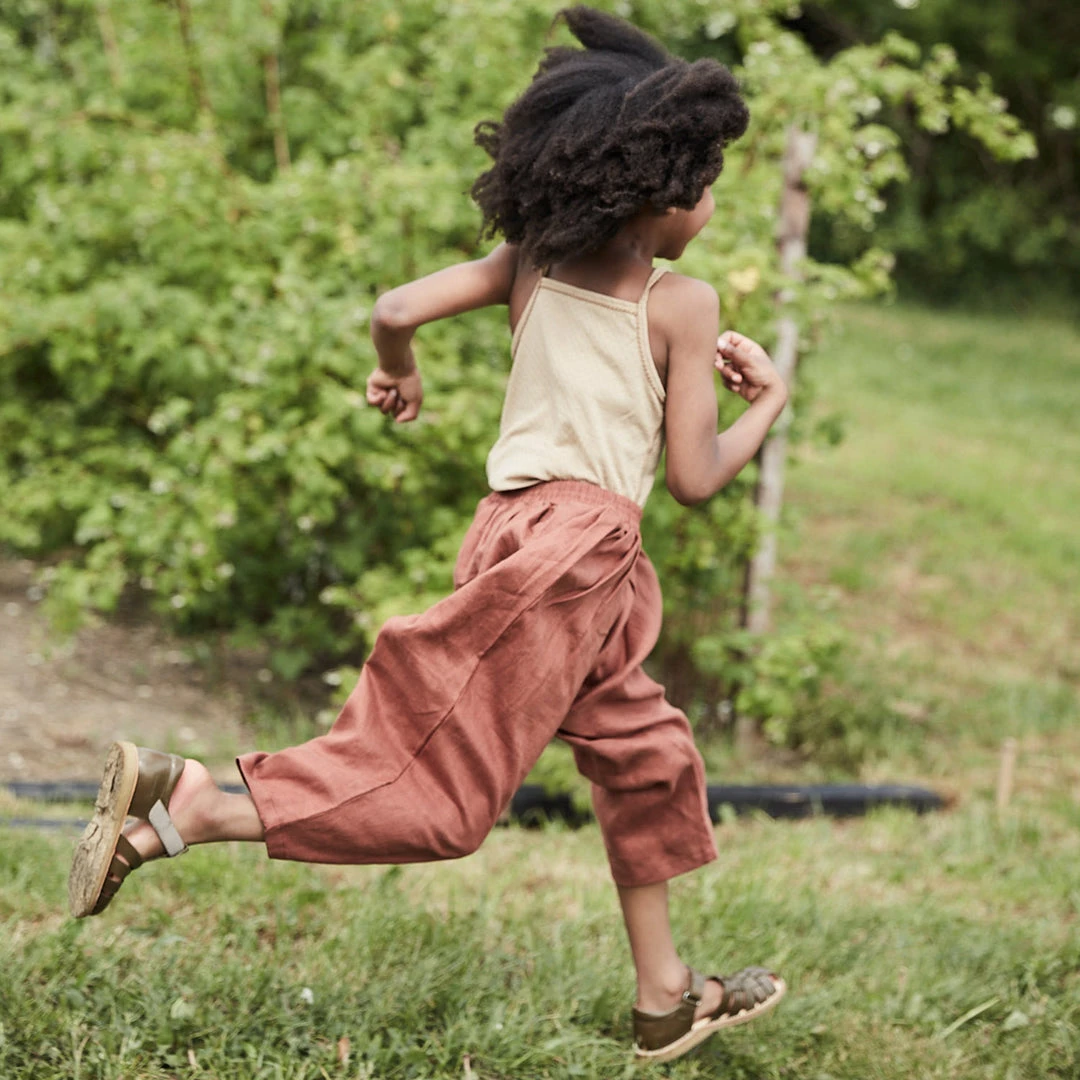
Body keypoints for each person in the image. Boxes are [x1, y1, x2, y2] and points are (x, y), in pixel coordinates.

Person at [69, 5, 789, 1064]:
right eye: (706, 180)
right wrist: (766, 403)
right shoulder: (680, 301)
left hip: (520, 538)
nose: (712, 201)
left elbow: (397, 306)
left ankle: (665, 997)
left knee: (645, 759)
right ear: (662, 187)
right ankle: (194, 805)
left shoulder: (531, 260)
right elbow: (691, 479)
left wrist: (397, 372)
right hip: (577, 558)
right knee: (442, 805)